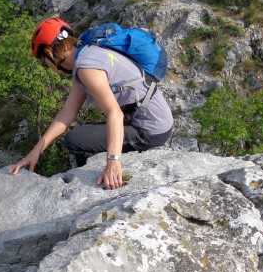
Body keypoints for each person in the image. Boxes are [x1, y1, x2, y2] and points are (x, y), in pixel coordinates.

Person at [9, 17, 173, 189]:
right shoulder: (88, 55)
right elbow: (66, 114)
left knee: (76, 140)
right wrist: (36, 152)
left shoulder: (87, 67)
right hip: (151, 120)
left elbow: (114, 113)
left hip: (151, 129)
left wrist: (113, 162)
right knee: (78, 135)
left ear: (50, 55)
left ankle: (91, 185)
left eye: (45, 64)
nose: (48, 68)